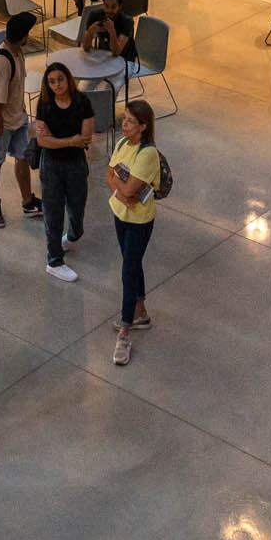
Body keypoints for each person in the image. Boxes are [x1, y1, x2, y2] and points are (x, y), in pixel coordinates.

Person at [105, 98, 161, 367]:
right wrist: (120, 190)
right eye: (123, 118)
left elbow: (129, 190)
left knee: (128, 269)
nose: (123, 124)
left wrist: (120, 188)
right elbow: (109, 175)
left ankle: (126, 329)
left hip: (139, 221)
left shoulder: (148, 154)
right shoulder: (121, 143)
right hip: (120, 214)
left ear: (143, 126)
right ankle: (141, 311)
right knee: (132, 262)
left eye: (129, 121)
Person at [32, 62, 94, 283]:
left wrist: (56, 140)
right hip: (51, 167)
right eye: (52, 81)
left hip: (76, 164)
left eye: (60, 79)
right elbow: (42, 140)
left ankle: (72, 236)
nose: (57, 84)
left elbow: (85, 138)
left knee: (77, 209)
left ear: (68, 79)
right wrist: (70, 140)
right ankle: (54, 260)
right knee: (53, 213)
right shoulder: (45, 105)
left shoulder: (82, 102)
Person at [0, 12, 40, 229]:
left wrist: (22, 113)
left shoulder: (18, 52)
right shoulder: (2, 62)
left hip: (17, 118)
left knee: (22, 157)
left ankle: (27, 201)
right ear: (23, 36)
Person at [81, 0, 139, 66]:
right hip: (104, 56)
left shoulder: (127, 21)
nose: (109, 10)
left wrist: (112, 31)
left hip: (125, 59)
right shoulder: (95, 15)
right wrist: (90, 31)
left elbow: (116, 52)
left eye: (113, 6)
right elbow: (86, 48)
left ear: (120, 6)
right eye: (106, 6)